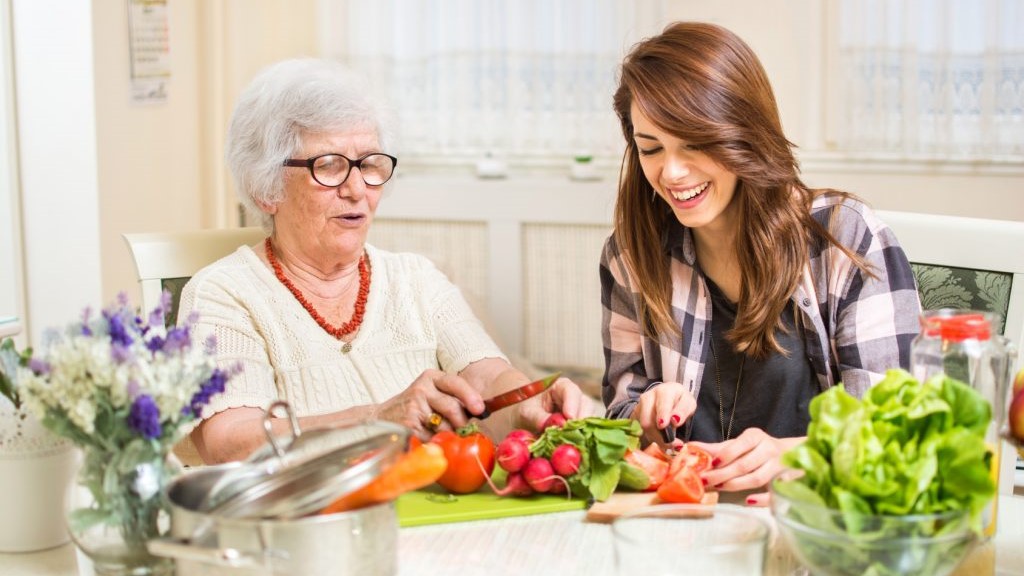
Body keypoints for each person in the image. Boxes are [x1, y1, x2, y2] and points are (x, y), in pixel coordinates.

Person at [178, 58, 588, 464]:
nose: (357, 189)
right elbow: (229, 442)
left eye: (370, 163)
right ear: (265, 186)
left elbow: (488, 377)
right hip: (312, 522)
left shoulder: (417, 279)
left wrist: (528, 405)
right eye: (330, 166)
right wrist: (374, 421)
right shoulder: (224, 294)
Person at [600, 22, 921, 499]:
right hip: (685, 525)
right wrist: (645, 412)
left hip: (812, 525)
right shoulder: (630, 254)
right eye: (651, 148)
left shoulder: (845, 238)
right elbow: (620, 409)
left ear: (742, 132)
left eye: (693, 142)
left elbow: (896, 432)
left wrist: (798, 456)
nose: (671, 172)